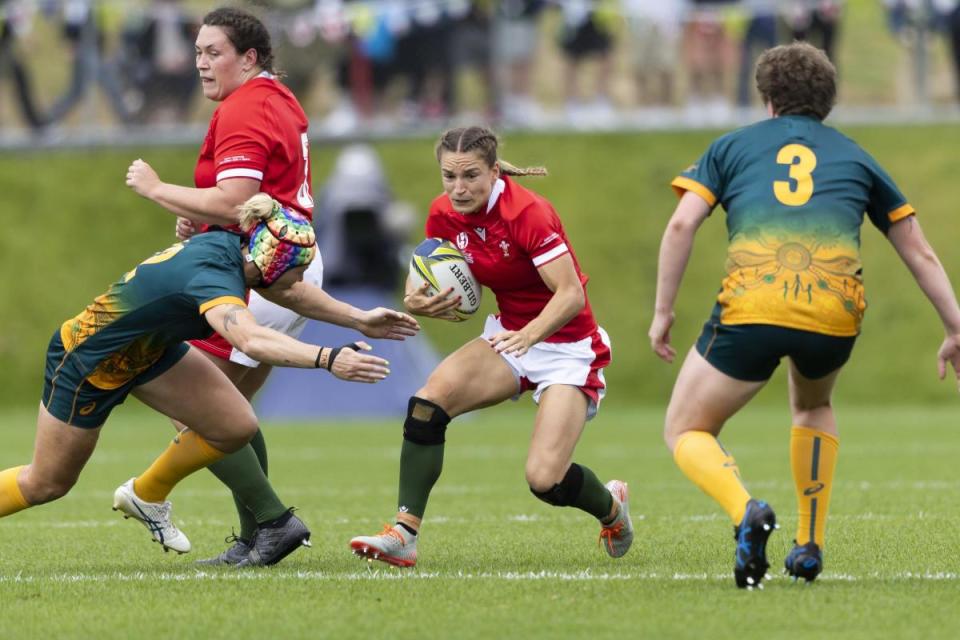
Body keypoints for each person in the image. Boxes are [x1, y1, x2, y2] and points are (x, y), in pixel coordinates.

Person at [648, 42, 960, 589]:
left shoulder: (731, 147)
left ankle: (745, 510)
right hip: (835, 308)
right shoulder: (857, 155)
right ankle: (809, 545)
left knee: (686, 427)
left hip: (755, 303)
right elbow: (920, 251)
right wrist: (956, 327)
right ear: (827, 103)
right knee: (813, 405)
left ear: (767, 98)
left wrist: (663, 312)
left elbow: (680, 226)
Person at [124, 6, 418, 566]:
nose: (202, 64)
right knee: (228, 410)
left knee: (196, 408)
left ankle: (271, 522)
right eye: (198, 53)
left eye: (215, 53)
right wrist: (203, 218)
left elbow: (238, 199)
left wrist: (158, 188)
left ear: (249, 57)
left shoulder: (245, 108)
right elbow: (251, 199)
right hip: (281, 256)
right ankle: (259, 532)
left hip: (263, 271)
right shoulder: (275, 97)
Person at [0, 195, 391, 555]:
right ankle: (149, 494)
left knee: (236, 425)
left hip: (150, 352)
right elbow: (252, 340)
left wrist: (359, 319)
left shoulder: (237, 251)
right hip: (89, 361)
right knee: (47, 483)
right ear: (269, 265)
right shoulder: (216, 278)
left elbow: (287, 293)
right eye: (297, 273)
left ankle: (146, 494)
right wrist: (328, 358)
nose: (300, 283)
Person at [348, 126, 632, 568]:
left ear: (495, 171)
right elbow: (428, 265)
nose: (458, 189)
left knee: (544, 480)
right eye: (449, 176)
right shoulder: (443, 212)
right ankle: (403, 534)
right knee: (426, 405)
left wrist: (531, 334)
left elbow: (571, 294)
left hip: (567, 347)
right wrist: (417, 298)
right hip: (510, 336)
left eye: (471, 177)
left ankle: (611, 508)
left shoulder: (528, 213)